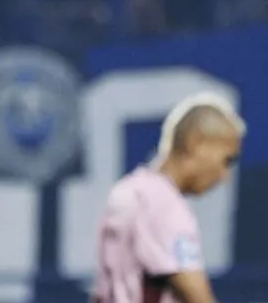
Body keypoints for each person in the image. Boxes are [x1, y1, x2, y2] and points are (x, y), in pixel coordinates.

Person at [93, 92, 245, 303]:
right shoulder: (165, 205)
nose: (224, 175)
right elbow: (196, 296)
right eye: (226, 160)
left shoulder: (128, 190)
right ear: (197, 143)